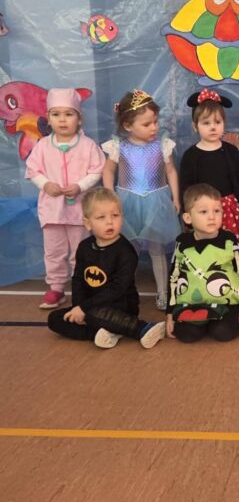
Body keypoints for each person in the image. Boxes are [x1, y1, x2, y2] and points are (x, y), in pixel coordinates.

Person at [47, 188, 166, 349]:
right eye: (101, 217)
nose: (110, 222)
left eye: (115, 216)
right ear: (88, 223)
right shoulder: (84, 247)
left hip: (121, 305)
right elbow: (78, 280)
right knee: (55, 318)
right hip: (92, 306)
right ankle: (98, 334)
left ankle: (143, 328)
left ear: (122, 218)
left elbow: (118, 288)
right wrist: (78, 307)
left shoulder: (125, 250)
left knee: (93, 313)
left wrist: (84, 308)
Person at [25, 87, 105, 309]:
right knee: (54, 251)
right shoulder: (42, 146)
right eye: (56, 114)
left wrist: (80, 186)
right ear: (48, 119)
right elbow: (33, 170)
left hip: (80, 211)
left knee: (81, 252)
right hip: (52, 211)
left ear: (79, 119)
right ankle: (56, 288)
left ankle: (82, 286)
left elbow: (97, 171)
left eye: (69, 114)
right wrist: (45, 184)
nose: (62, 120)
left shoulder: (88, 146)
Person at [102, 89, 180, 311]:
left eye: (155, 122)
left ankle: (163, 293)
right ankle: (124, 292)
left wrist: (175, 197)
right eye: (147, 124)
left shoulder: (162, 144)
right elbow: (108, 171)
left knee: (157, 250)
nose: (154, 127)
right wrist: (110, 196)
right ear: (128, 125)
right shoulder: (118, 146)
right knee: (129, 251)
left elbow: (171, 171)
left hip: (156, 203)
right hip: (127, 204)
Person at [166, 184, 239, 343]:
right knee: (186, 335)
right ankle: (200, 323)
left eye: (217, 211)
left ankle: (214, 322)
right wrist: (170, 313)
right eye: (204, 212)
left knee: (223, 332)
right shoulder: (182, 243)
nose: (212, 217)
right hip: (190, 305)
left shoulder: (229, 241)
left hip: (226, 303)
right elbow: (173, 278)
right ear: (188, 218)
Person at [178, 89, 239, 246]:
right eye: (206, 123)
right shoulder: (190, 156)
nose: (213, 127)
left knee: (230, 248)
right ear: (195, 126)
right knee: (205, 247)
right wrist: (189, 216)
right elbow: (185, 189)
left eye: (217, 122)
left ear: (224, 123)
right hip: (202, 212)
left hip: (230, 211)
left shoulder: (231, 151)